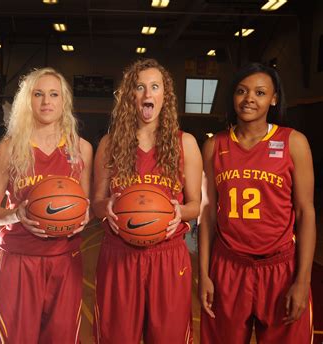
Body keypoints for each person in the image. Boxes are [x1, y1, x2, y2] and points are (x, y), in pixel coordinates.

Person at [199, 63, 315, 343]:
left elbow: (305, 212)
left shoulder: (294, 142)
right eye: (242, 91)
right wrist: (203, 273)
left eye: (260, 92)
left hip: (280, 269)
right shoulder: (215, 146)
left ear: (274, 99)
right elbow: (207, 215)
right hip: (228, 267)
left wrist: (303, 280)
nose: (249, 98)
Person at [92, 58, 202, 343]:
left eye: (155, 86)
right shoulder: (110, 143)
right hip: (119, 254)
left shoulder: (185, 143)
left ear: (166, 96)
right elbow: (96, 203)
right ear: (131, 95)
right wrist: (108, 208)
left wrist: (181, 212)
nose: (147, 94)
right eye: (140, 87)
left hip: (168, 255)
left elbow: (195, 204)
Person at [0, 67, 93, 344]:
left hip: (65, 260)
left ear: (64, 101)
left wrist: (82, 217)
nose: (46, 102)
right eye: (38, 94)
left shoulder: (81, 149)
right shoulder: (8, 149)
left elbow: (85, 207)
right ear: (27, 101)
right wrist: (14, 215)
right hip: (19, 258)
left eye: (54, 94)